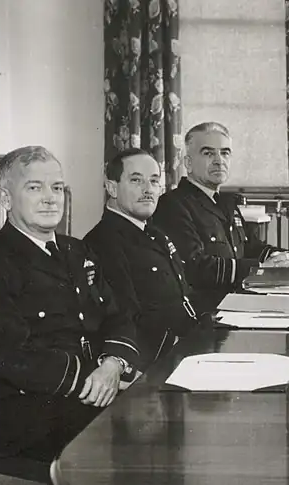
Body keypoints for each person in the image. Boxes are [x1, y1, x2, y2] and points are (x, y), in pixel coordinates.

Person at [0, 146, 141, 464]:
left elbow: (118, 316)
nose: (50, 198)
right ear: (5, 199)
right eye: (34, 188)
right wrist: (95, 378)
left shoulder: (76, 250)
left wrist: (113, 365)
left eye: (57, 187)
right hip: (31, 418)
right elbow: (13, 355)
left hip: (93, 396)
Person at [151, 122, 289, 313]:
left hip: (239, 305)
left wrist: (280, 256)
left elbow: (250, 246)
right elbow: (194, 267)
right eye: (208, 153)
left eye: (225, 153)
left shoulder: (226, 203)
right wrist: (259, 267)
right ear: (188, 163)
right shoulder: (172, 205)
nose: (219, 160)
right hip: (205, 315)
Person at [84, 148, 201, 367]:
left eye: (154, 181)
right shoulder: (103, 242)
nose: (148, 190)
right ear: (112, 187)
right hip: (151, 363)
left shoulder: (154, 233)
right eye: (136, 180)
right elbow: (125, 319)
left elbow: (182, 295)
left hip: (180, 349)